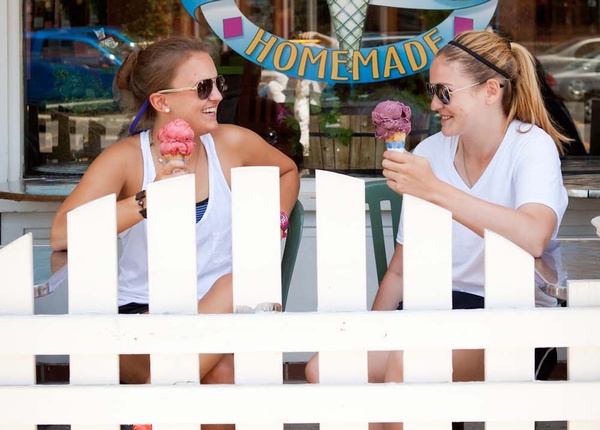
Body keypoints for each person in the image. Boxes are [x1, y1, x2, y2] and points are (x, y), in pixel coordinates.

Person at [305, 30, 568, 429]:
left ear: (490, 91)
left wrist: (433, 189)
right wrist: (373, 332)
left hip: (512, 315)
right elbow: (400, 271)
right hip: (430, 308)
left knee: (408, 369)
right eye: (432, 91)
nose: (433, 105)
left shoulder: (531, 146)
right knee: (326, 370)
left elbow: (534, 235)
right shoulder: (429, 152)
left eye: (445, 93)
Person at [49, 36, 300, 430]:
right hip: (143, 315)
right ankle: (156, 405)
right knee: (222, 377)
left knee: (233, 298)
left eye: (219, 84)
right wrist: (146, 200)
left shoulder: (231, 144)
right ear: (161, 102)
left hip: (226, 313)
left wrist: (276, 221)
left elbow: (287, 171)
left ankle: (152, 409)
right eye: (203, 87)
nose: (217, 96)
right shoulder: (126, 159)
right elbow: (62, 234)